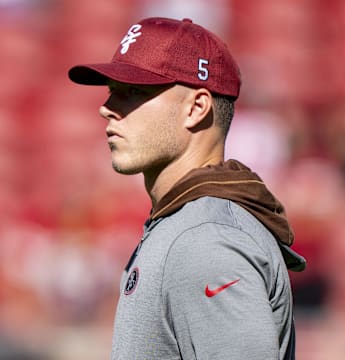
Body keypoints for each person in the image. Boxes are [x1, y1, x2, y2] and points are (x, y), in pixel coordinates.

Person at [68, 16, 306, 360]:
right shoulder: (186, 224)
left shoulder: (207, 239)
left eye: (134, 92)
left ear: (196, 108)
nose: (107, 108)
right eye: (112, 91)